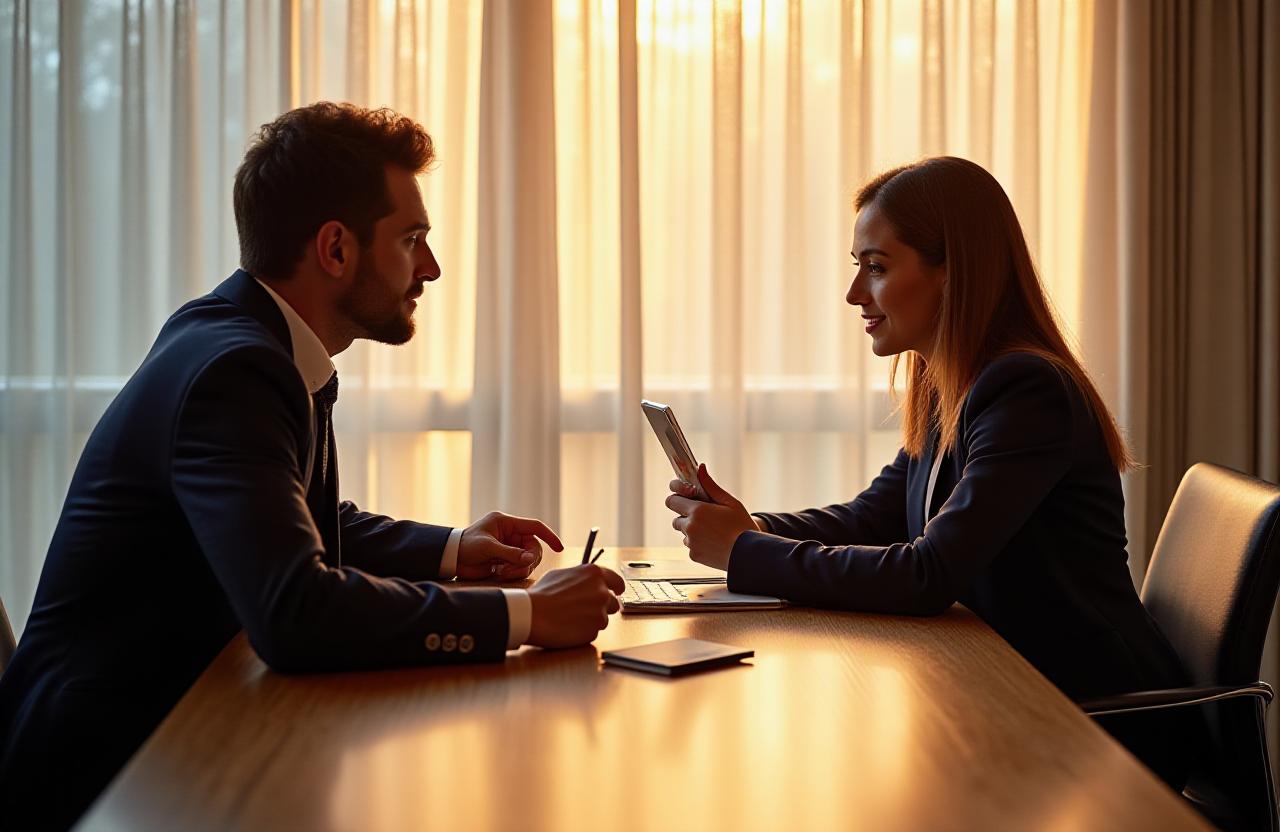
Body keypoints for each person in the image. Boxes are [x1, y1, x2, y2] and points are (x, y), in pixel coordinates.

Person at [0, 102, 623, 830]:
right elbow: (294, 613)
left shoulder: (237, 337)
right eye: (411, 238)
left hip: (179, 739)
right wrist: (527, 615)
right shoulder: (235, 369)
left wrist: (453, 551)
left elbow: (291, 527)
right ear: (335, 249)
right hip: (105, 777)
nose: (431, 267)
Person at [664, 156, 1191, 787]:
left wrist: (745, 551)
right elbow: (875, 518)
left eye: (877, 268)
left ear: (952, 273)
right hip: (1005, 688)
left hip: (1089, 715)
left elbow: (926, 574)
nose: (855, 294)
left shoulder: (1026, 390)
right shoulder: (955, 382)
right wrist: (750, 527)